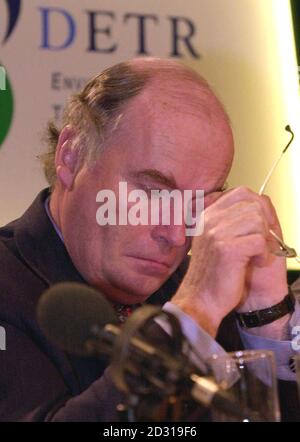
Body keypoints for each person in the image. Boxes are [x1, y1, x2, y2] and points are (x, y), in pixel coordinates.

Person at [0, 57, 299, 422]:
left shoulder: (203, 294)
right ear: (71, 155)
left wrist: (265, 316)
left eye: (198, 204)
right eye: (154, 193)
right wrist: (196, 309)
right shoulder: (199, 301)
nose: (176, 235)